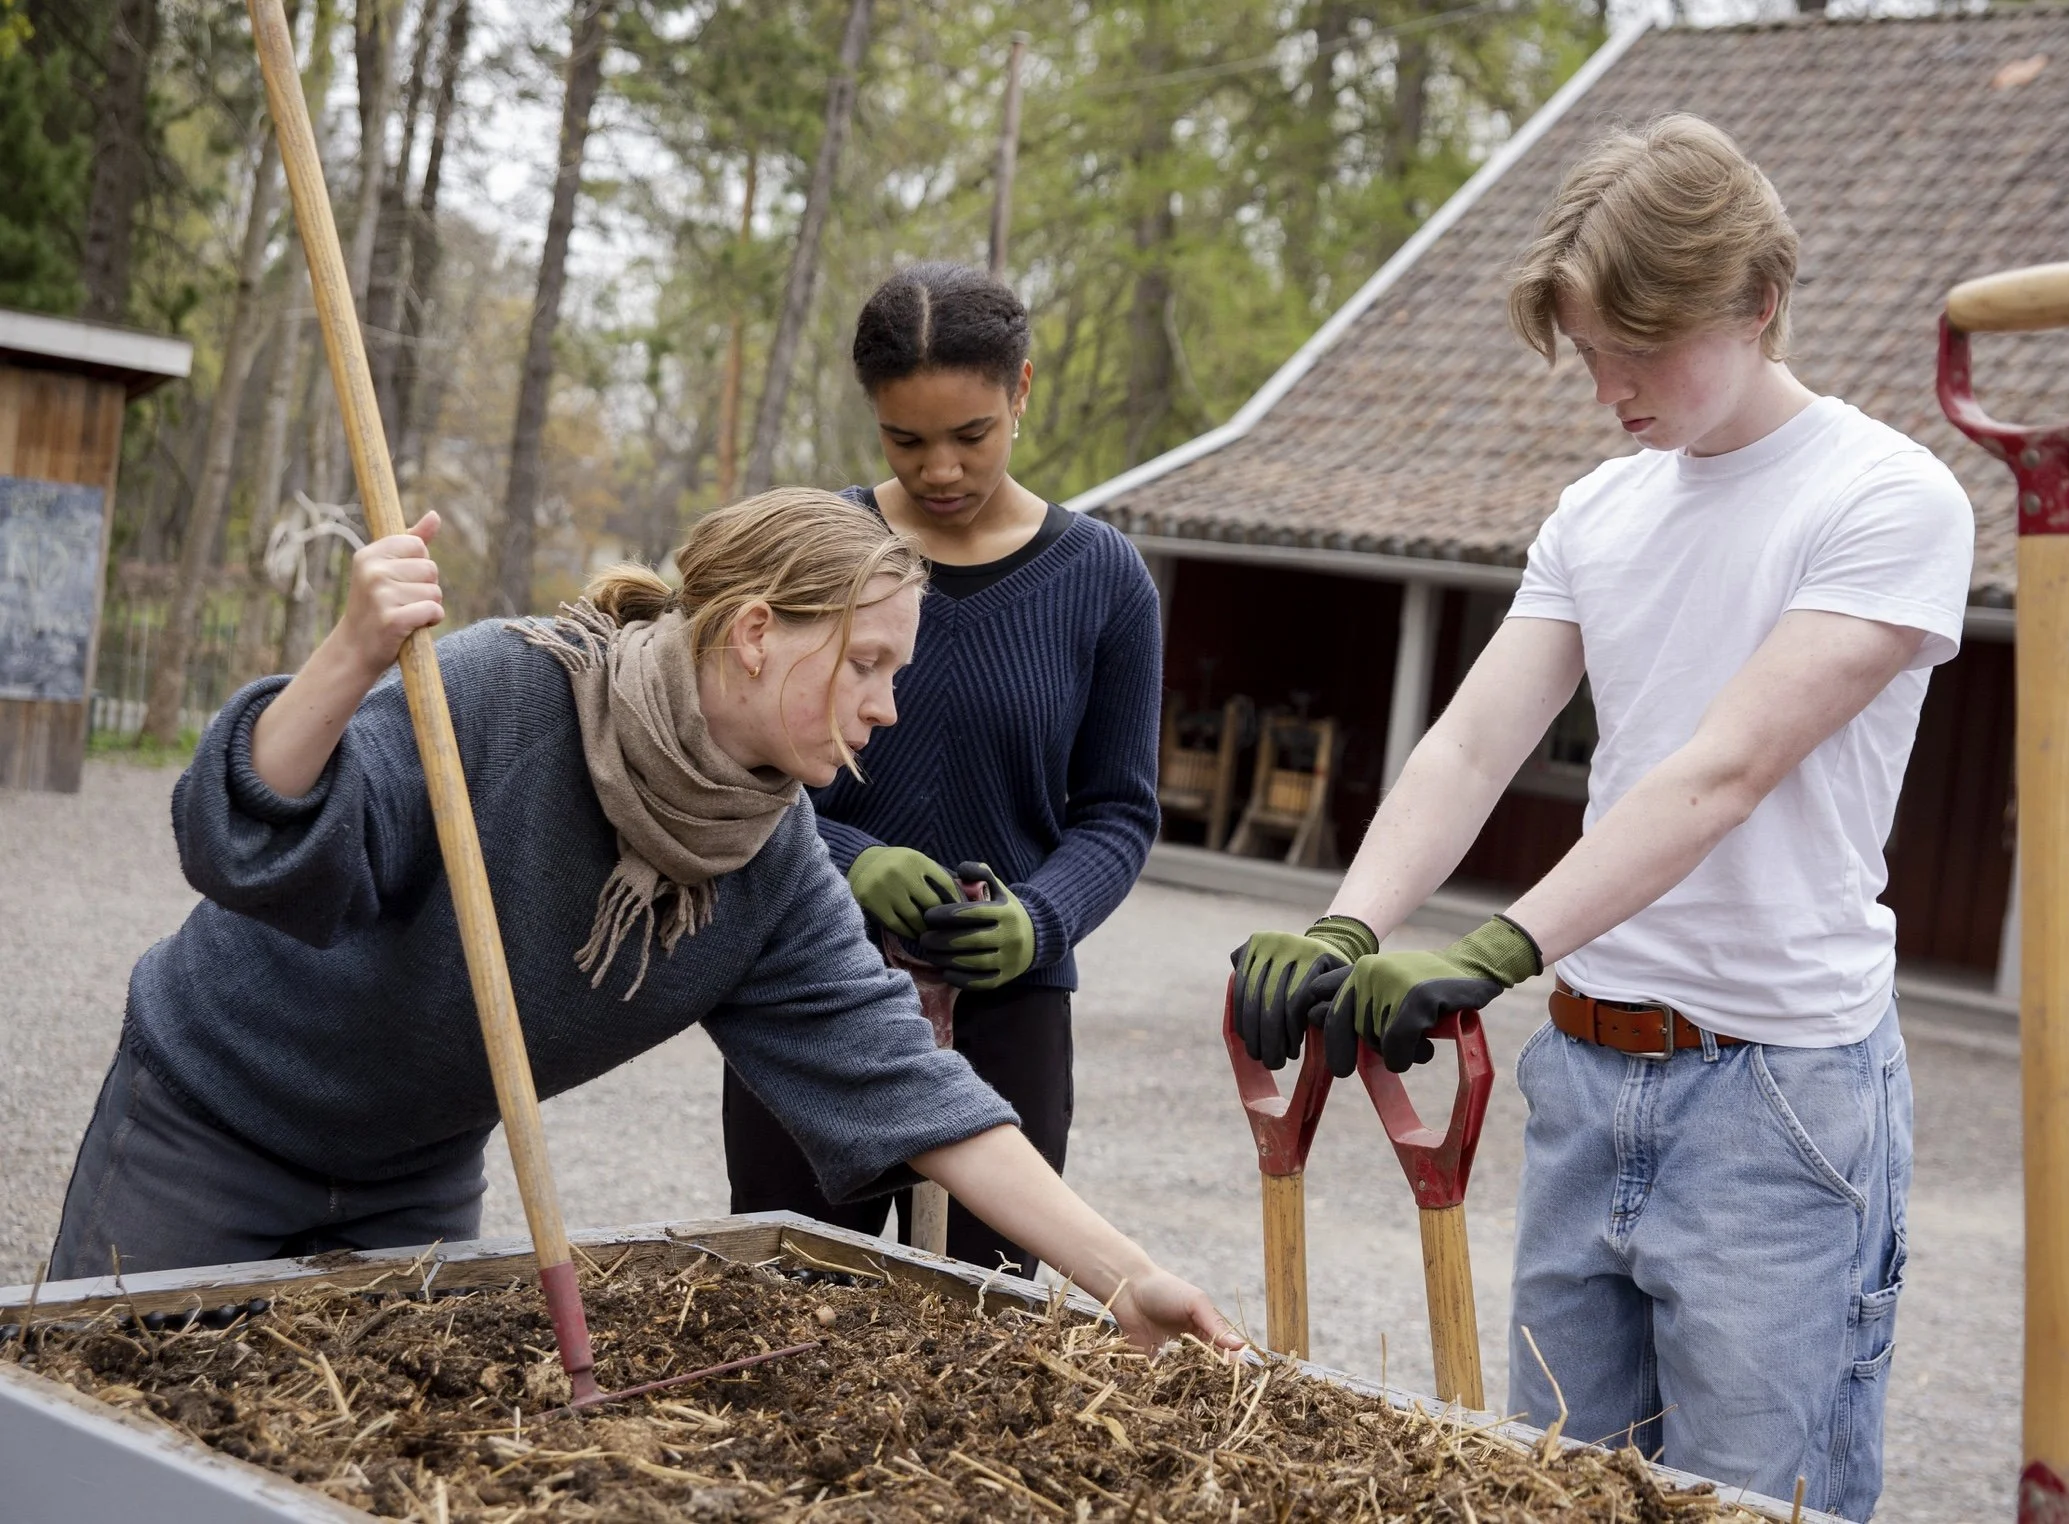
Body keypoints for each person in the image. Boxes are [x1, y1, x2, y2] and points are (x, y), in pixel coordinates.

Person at [1228, 116, 1972, 1519]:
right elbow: (1468, 746)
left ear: (1758, 301)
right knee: (1560, 1489)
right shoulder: (1598, 511)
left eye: (1641, 349)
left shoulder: (1885, 498)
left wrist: (1493, 948)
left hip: (1773, 1094)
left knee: (1751, 1502)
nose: (1608, 389)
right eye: (1586, 353)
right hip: (1582, 1072)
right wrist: (1346, 924)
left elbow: (1720, 772)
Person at [48, 487, 1230, 1353]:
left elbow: (913, 1089)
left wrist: (1122, 1279)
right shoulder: (510, 693)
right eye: (867, 665)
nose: (885, 708)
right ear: (757, 633)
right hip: (212, 1125)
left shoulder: (769, 862)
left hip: (413, 1178)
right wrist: (350, 654)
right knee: (106, 1428)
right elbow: (239, 843)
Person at [721, 264, 1162, 1279]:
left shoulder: (1105, 581)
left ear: (1021, 390)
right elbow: (730, 761)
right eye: (905, 441)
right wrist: (847, 859)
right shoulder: (808, 556)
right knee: (791, 1296)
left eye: (972, 435)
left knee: (983, 1322)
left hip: (1010, 1007)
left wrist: (1038, 920)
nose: (941, 470)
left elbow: (1117, 812)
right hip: (809, 978)